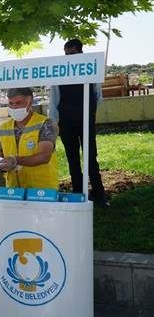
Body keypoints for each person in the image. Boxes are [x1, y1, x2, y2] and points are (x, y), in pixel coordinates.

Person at [48, 38, 108, 207]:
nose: (69, 57)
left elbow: (97, 95)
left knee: (90, 158)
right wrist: (54, 123)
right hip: (66, 123)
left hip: (86, 121)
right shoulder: (59, 73)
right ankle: (78, 195)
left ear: (81, 53)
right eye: (66, 54)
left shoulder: (91, 70)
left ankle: (99, 195)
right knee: (72, 159)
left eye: (72, 54)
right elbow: (54, 100)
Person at [0, 88, 58, 189]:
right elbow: (0, 154)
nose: (14, 107)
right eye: (11, 103)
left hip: (42, 190)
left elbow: (44, 156)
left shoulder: (45, 123)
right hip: (14, 190)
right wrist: (0, 165)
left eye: (18, 103)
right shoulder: (4, 127)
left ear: (30, 102)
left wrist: (15, 160)